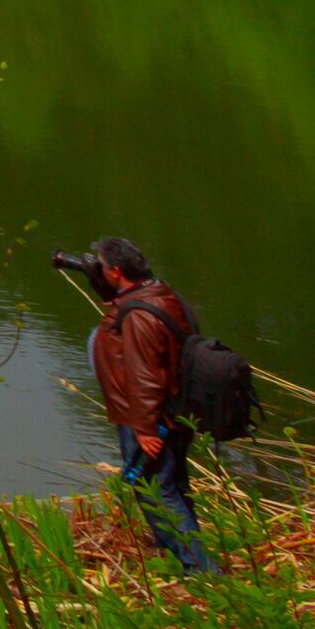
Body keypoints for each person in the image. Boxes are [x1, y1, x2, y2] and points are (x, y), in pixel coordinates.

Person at [81, 234, 215, 573]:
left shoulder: (140, 315)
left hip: (151, 418)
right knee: (172, 485)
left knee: (156, 490)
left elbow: (144, 375)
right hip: (171, 411)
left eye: (100, 266)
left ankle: (201, 570)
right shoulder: (160, 294)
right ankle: (178, 550)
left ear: (115, 271)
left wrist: (144, 429)